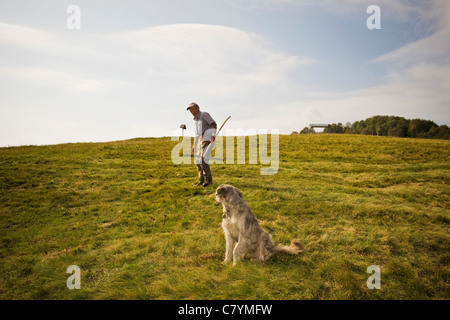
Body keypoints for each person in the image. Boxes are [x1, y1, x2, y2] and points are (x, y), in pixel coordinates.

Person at [187, 102, 217, 187]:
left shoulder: (204, 115)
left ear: (198, 108)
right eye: (190, 110)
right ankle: (201, 181)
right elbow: (196, 134)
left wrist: (213, 135)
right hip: (200, 139)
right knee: (197, 161)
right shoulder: (195, 120)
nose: (192, 111)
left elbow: (213, 124)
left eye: (193, 109)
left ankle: (208, 181)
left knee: (203, 159)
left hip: (207, 137)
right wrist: (194, 145)